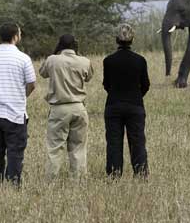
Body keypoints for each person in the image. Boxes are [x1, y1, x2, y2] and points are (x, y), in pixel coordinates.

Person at [0, 23, 36, 185]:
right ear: (15, 36)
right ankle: (13, 184)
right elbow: (32, 83)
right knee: (15, 152)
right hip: (15, 113)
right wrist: (22, 95)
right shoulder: (23, 58)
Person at [39, 34, 94, 179]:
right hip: (79, 107)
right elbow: (89, 77)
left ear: (60, 45)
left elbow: (42, 73)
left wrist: (54, 52)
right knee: (78, 148)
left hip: (58, 108)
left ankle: (51, 181)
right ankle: (78, 181)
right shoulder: (84, 61)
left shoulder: (52, 60)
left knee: (55, 148)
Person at [102, 23, 150, 177]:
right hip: (135, 105)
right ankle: (141, 172)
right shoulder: (140, 60)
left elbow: (106, 84)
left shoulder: (108, 61)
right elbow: (146, 85)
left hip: (113, 105)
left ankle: (114, 174)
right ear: (132, 39)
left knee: (114, 143)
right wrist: (136, 95)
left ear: (117, 39)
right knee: (137, 142)